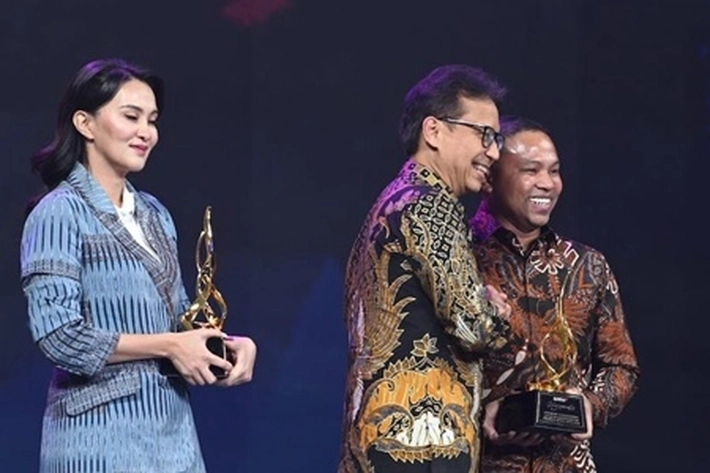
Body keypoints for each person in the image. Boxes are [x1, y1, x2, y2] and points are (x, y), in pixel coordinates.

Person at [20, 58, 257, 473]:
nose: (146, 132)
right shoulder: (59, 212)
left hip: (173, 438)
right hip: (98, 440)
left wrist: (223, 348)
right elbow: (59, 334)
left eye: (152, 120)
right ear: (85, 123)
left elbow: (178, 322)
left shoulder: (155, 214)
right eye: (131, 117)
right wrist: (169, 346)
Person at [339, 64, 512, 473]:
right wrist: (496, 313)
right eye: (484, 135)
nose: (494, 152)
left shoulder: (394, 201)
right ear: (433, 131)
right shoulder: (431, 204)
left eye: (496, 139)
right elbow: (474, 328)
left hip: (385, 439)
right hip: (424, 445)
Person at [470, 117, 640, 472]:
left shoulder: (588, 265)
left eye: (555, 171)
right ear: (489, 179)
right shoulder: (458, 259)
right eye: (531, 170)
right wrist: (479, 410)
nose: (547, 183)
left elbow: (621, 367)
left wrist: (588, 405)